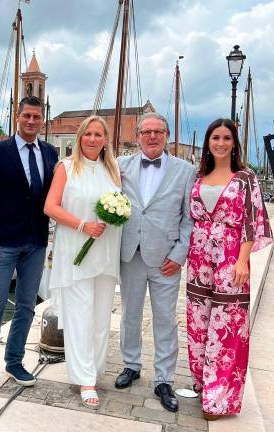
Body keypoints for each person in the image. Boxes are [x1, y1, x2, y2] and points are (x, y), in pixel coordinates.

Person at [0, 96, 58, 397]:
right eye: (27, 116)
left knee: (25, 306)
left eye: (37, 116)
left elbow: (55, 197)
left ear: (42, 119)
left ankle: (15, 362)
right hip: (3, 243)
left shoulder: (50, 152)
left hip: (36, 242)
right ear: (17, 117)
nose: (31, 121)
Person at [186, 118, 272, 420]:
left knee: (227, 329)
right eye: (215, 138)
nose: (220, 143)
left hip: (230, 259)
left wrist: (242, 260)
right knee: (198, 326)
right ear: (208, 142)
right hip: (198, 260)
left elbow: (254, 219)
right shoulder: (200, 174)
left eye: (226, 138)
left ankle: (219, 399)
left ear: (234, 142)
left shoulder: (245, 177)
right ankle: (203, 382)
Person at [116, 112, 196, 412]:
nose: (152, 137)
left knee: (165, 319)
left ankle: (164, 379)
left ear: (166, 135)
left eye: (158, 132)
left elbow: (189, 219)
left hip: (166, 259)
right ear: (138, 136)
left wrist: (179, 254)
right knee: (130, 315)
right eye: (146, 132)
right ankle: (131, 365)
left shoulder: (185, 171)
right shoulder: (121, 166)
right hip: (131, 254)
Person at [43, 115, 122, 409]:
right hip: (76, 252)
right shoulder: (66, 167)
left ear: (105, 140)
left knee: (101, 316)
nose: (92, 139)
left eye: (98, 134)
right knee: (80, 316)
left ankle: (95, 368)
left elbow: (120, 206)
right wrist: (82, 226)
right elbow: (50, 206)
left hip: (105, 251)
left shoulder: (112, 170)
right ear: (80, 137)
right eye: (87, 133)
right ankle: (84, 378)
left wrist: (117, 215)